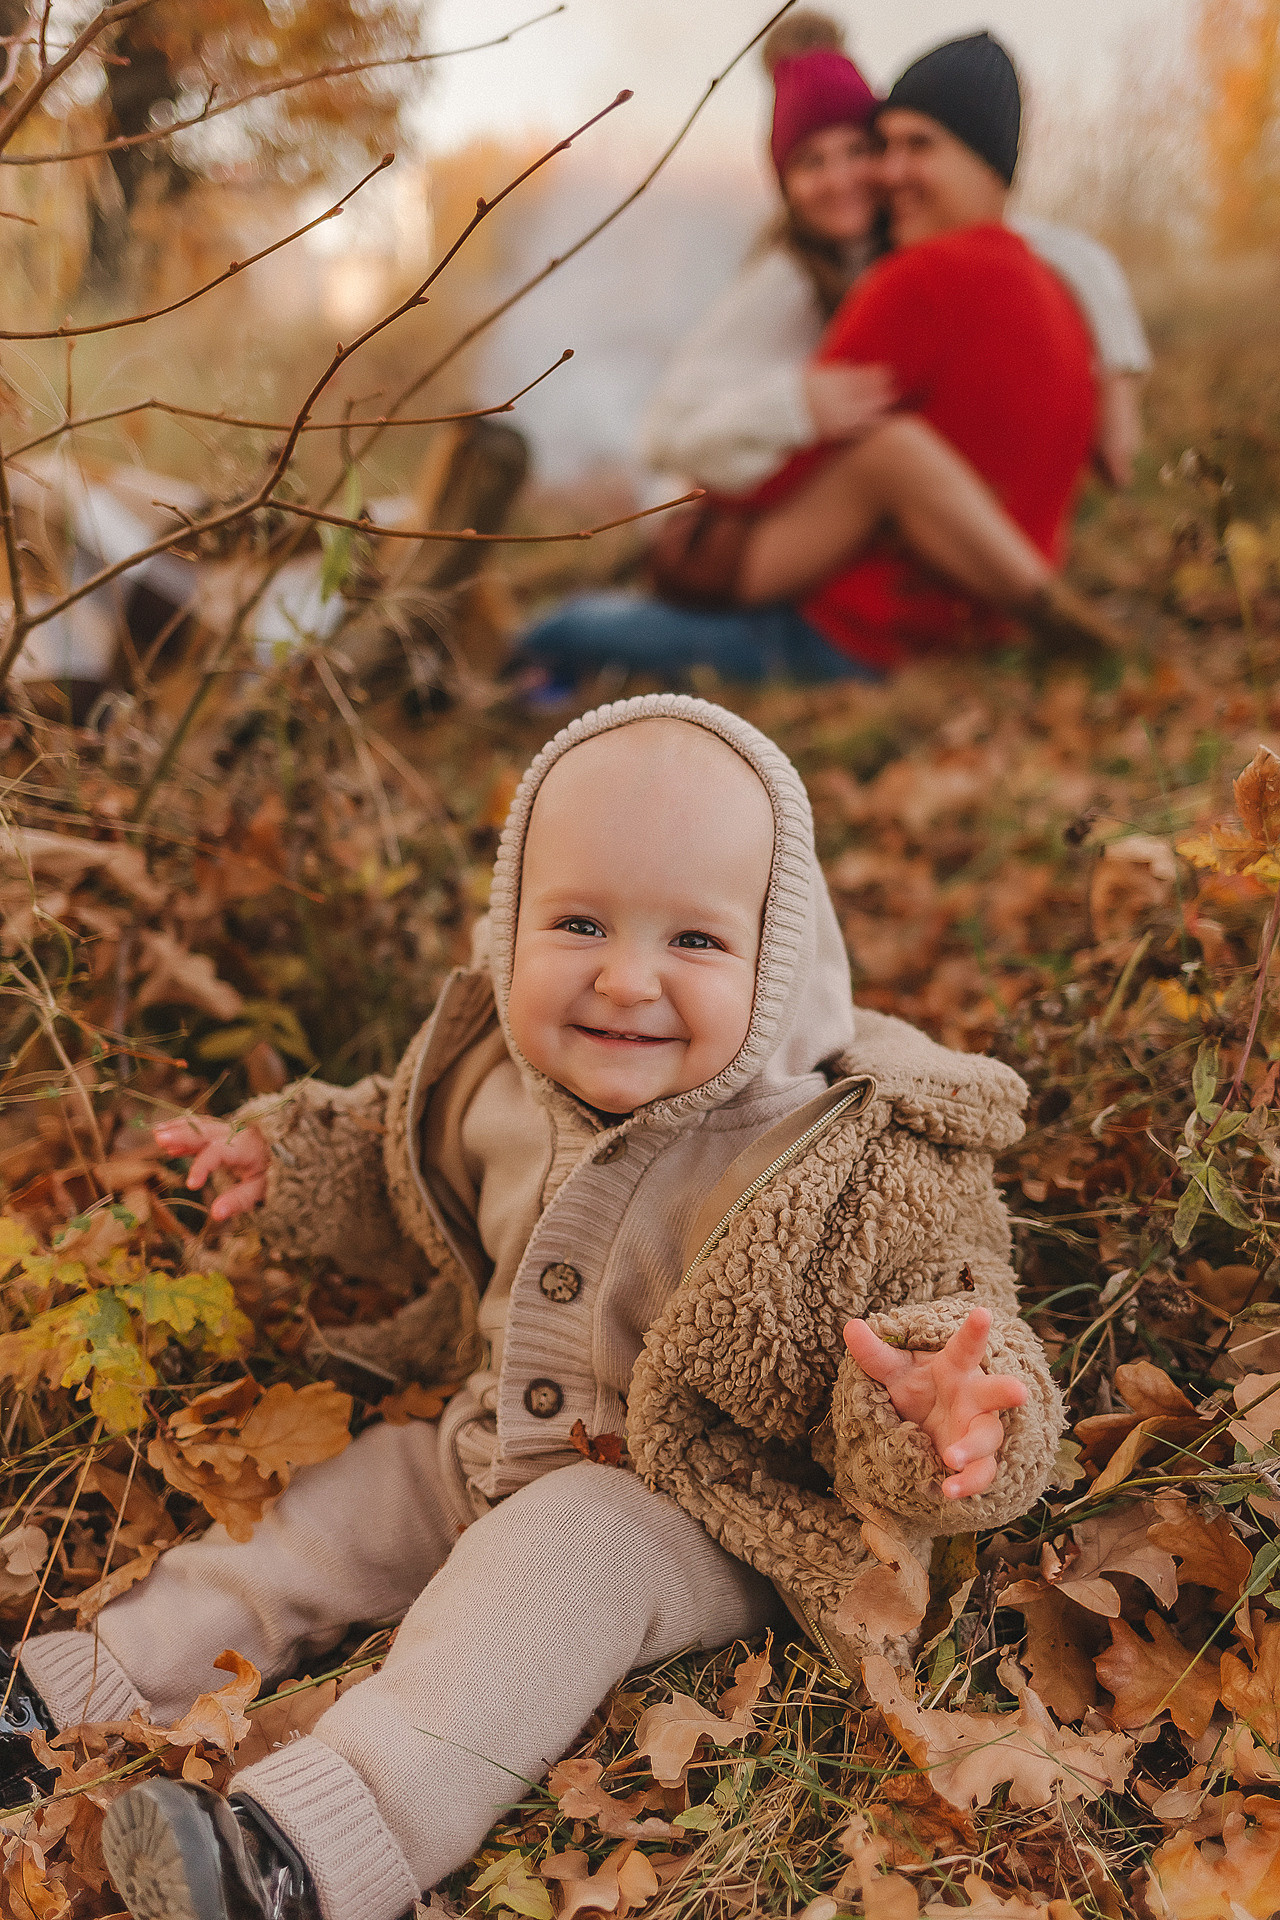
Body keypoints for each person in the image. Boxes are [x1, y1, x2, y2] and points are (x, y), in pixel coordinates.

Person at [6, 698, 1063, 1920]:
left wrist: (942, 1408)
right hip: (485, 1442)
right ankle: (69, 1694)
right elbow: (391, 1157)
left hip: (698, 1511)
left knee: (556, 1563)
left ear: (778, 961)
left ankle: (301, 1850)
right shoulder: (497, 1076)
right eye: (576, 923)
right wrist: (285, 1167)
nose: (625, 978)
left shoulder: (850, 1157)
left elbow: (956, 1313)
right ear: (508, 926)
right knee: (317, 1522)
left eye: (695, 943)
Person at [522, 19, 1148, 689]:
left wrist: (1119, 377)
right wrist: (794, 408)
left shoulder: (922, 247)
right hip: (717, 521)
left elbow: (1065, 250)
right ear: (784, 182)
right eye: (810, 163)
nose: (844, 178)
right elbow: (663, 434)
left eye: (861, 149)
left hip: (809, 515)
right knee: (889, 453)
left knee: (890, 453)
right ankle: (1039, 602)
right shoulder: (784, 282)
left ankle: (1032, 602)